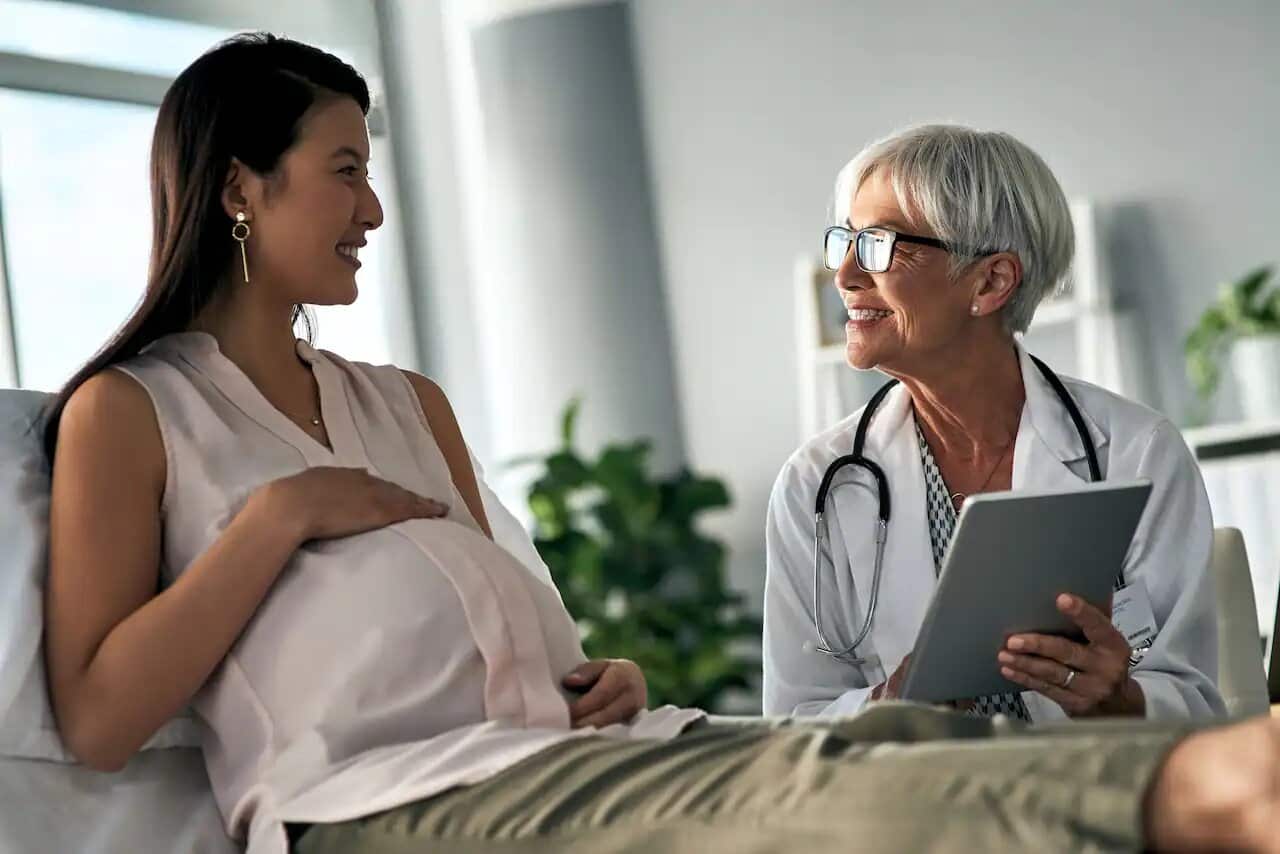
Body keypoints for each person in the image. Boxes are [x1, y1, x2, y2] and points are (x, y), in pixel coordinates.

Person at [41, 36, 1269, 854]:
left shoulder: (408, 403)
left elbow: (525, 646)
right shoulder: (133, 412)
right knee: (807, 793)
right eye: (345, 170)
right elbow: (97, 716)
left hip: (549, 754)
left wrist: (595, 684)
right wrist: (276, 518)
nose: (371, 209)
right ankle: (1205, 794)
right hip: (372, 798)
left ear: (997, 280)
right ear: (239, 187)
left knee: (884, 747)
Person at [764, 124, 1225, 723]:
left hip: (1095, 796)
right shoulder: (816, 484)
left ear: (990, 281)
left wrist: (1123, 700)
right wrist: (884, 708)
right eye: (842, 241)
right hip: (915, 804)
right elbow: (793, 720)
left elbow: (1196, 704)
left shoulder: (1137, 453)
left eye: (875, 244)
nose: (845, 275)